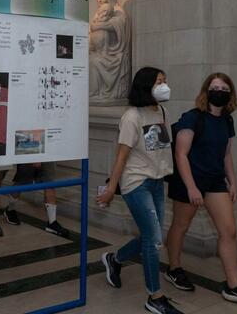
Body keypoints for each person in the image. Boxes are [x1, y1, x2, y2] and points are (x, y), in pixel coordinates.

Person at [164, 73, 237, 309]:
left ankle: (234, 285)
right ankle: (174, 268)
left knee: (229, 230)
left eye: (224, 88)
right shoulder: (192, 118)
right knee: (181, 225)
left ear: (230, 93)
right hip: (189, 179)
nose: (219, 91)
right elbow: (180, 154)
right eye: (214, 87)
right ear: (205, 90)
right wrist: (191, 187)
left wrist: (233, 180)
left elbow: (226, 154)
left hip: (215, 181)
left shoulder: (227, 120)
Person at [96, 67, 183, 314]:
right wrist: (112, 187)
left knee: (150, 236)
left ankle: (115, 259)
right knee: (155, 241)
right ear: (146, 85)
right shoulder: (131, 116)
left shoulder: (162, 111)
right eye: (159, 81)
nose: (164, 86)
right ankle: (155, 297)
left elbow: (162, 148)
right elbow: (121, 156)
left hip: (156, 181)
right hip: (136, 183)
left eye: (165, 81)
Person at [2, 162, 70, 238]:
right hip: (27, 153)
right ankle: (10, 209)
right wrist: (35, 157)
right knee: (21, 182)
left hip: (48, 155)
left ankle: (52, 222)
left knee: (50, 184)